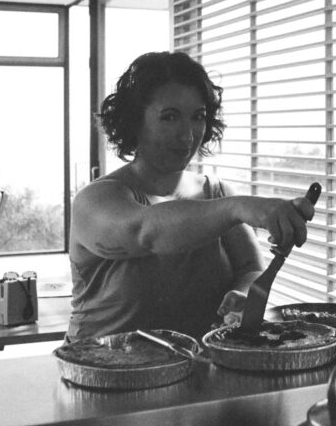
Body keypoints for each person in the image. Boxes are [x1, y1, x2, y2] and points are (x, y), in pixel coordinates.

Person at [67, 51, 315, 340]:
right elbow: (147, 231)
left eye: (198, 117)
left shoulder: (216, 193)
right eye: (169, 117)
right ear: (135, 121)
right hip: (100, 364)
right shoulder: (95, 200)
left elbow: (250, 268)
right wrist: (238, 208)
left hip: (194, 363)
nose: (187, 135)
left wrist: (243, 294)